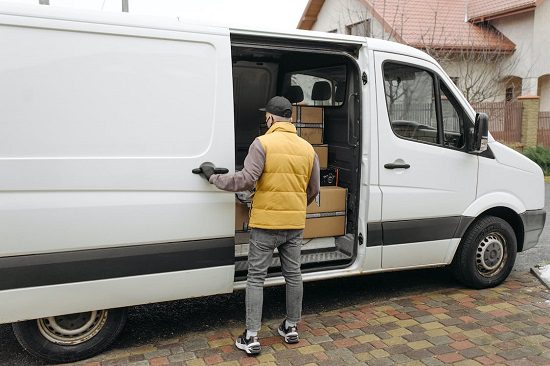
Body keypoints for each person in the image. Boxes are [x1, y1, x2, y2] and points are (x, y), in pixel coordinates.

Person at [198, 96, 320, 355]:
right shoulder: (307, 148)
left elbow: (245, 180)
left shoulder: (262, 143)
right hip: (294, 224)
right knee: (293, 275)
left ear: (270, 118)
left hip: (266, 224)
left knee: (256, 278)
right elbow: (314, 189)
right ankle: (291, 327)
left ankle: (251, 337)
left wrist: (213, 177)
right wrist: (296, 206)